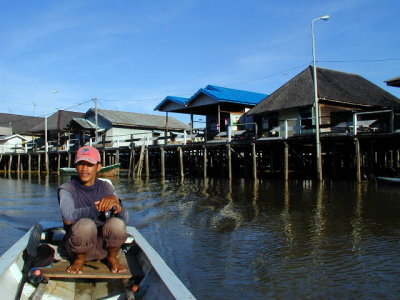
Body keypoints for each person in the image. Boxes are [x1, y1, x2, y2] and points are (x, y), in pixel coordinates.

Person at [58, 146, 129, 274]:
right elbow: (68, 216)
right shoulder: (66, 189)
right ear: (76, 166)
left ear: (98, 167)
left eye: (89, 164)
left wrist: (118, 204)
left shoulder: (106, 187)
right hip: (77, 247)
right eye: (81, 164)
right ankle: (80, 260)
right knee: (86, 224)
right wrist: (96, 208)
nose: (84, 169)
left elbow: (124, 219)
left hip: (104, 248)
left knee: (117, 224)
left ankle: (112, 258)